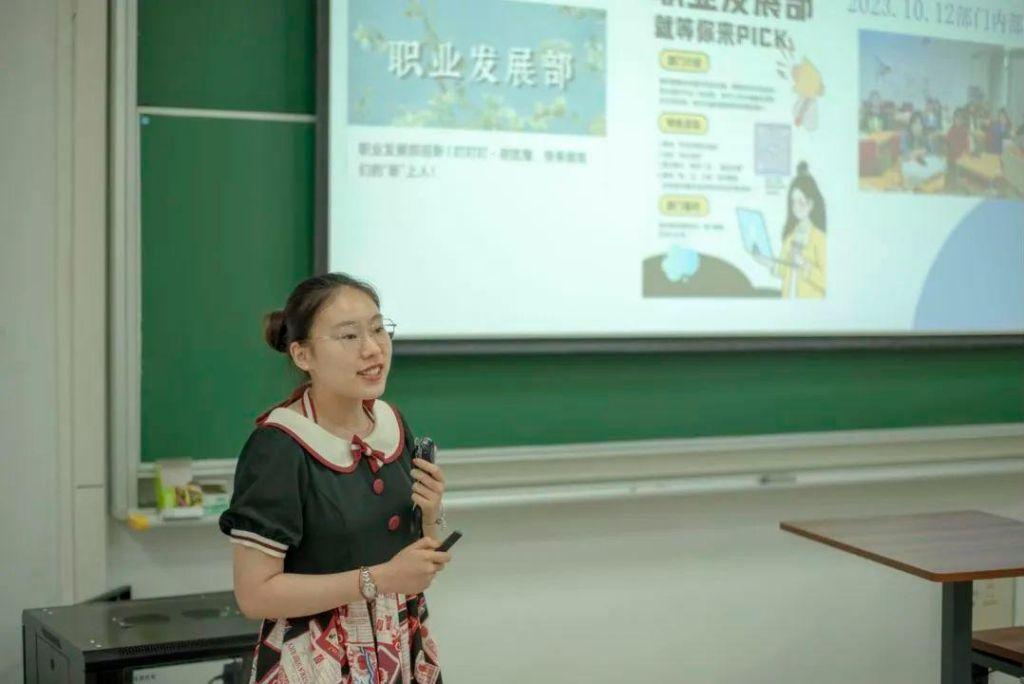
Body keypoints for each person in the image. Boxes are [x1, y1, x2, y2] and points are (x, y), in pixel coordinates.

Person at [219, 273, 450, 684]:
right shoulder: (279, 446)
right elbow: (254, 595)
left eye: (378, 329)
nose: (373, 348)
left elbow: (411, 563)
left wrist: (432, 516)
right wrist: (377, 580)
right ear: (302, 355)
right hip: (317, 656)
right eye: (349, 336)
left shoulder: (391, 423)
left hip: (398, 641)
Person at [774, 162, 827, 298]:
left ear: (811, 204)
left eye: (801, 202)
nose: (796, 208)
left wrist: (804, 264)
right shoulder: (790, 236)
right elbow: (780, 271)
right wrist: (763, 259)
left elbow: (826, 281)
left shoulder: (820, 238)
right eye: (793, 202)